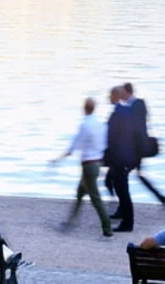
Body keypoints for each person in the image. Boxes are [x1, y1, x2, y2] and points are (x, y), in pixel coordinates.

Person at [51, 97, 113, 238]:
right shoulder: (101, 125)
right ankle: (70, 222)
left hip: (88, 167)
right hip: (97, 164)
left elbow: (75, 145)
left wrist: (59, 158)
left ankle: (107, 229)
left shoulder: (85, 125)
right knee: (80, 193)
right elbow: (104, 145)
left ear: (84, 108)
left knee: (95, 198)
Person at [122, 82, 165, 206]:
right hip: (138, 147)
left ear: (127, 92)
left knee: (121, 176)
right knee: (137, 175)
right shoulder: (140, 104)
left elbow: (135, 128)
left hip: (137, 148)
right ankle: (160, 197)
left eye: (122, 93)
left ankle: (123, 205)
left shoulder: (134, 106)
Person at [104, 85, 139, 232]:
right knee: (118, 185)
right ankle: (122, 213)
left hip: (121, 158)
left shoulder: (120, 113)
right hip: (120, 157)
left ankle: (127, 223)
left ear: (116, 97)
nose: (108, 98)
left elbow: (117, 137)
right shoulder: (122, 112)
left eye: (110, 95)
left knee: (123, 190)